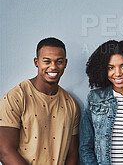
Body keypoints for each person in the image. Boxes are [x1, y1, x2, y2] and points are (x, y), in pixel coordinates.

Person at [0, 37, 80, 165]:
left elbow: (73, 154)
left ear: (65, 63)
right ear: (36, 62)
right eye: (47, 61)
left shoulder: (71, 104)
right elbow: (5, 151)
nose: (53, 67)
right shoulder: (15, 97)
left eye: (59, 61)